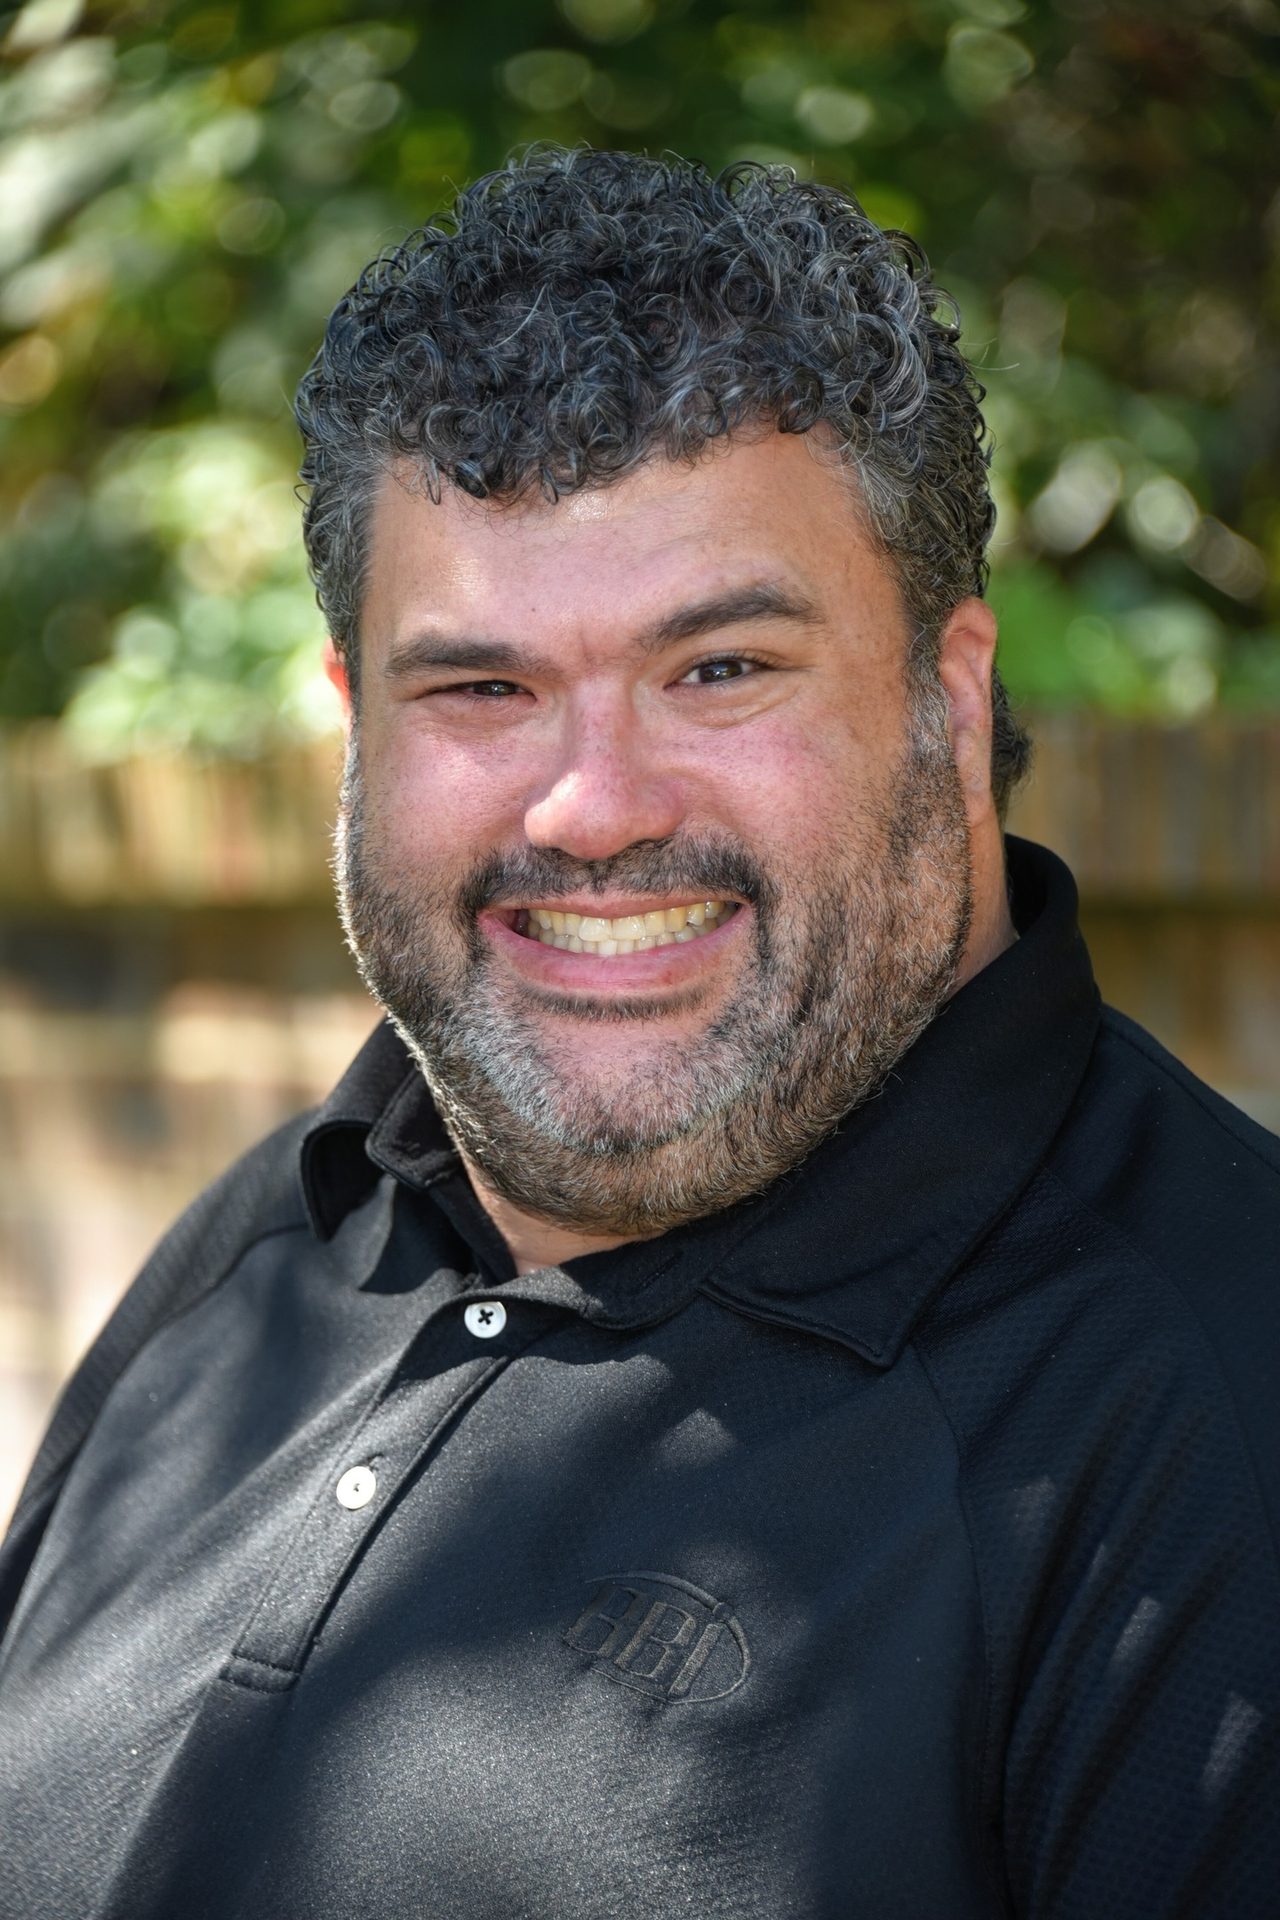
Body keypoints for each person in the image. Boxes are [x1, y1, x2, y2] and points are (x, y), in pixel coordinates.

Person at [0, 147, 1276, 1920]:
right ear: (353, 725)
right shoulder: (271, 1239)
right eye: (482, 688)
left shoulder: (1217, 1411)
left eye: (721, 669)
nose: (592, 804)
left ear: (951, 690)